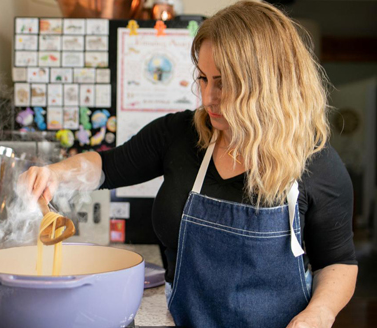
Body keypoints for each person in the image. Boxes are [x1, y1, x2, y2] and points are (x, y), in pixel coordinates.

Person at [20, 2, 356, 327]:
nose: (208, 97)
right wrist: (55, 174)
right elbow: (107, 165)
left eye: (223, 81)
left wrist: (318, 315)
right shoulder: (179, 135)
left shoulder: (316, 164)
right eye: (204, 78)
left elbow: (338, 262)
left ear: (267, 82)